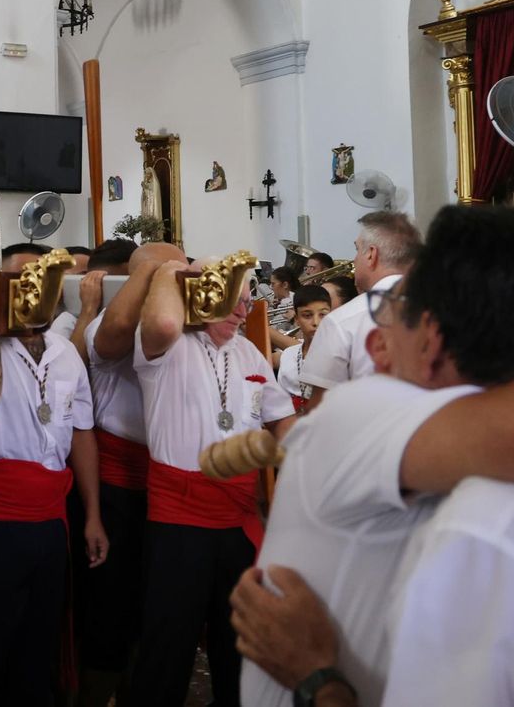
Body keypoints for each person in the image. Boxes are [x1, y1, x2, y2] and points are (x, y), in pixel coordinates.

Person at [236, 207, 514, 707]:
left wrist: (316, 679)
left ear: (429, 339)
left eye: (393, 316)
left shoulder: (487, 528)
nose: (375, 340)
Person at [129, 256, 296, 706]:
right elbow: (165, 318)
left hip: (238, 517)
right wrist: (171, 269)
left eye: (247, 300)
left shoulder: (247, 351)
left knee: (238, 645)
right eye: (233, 299)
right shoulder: (166, 345)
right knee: (169, 643)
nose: (244, 311)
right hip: (179, 518)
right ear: (200, 294)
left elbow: (281, 419)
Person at [0, 270, 107, 705]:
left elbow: (82, 432)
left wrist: (92, 515)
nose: (31, 296)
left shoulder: (64, 353)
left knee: (38, 644)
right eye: (17, 286)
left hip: (50, 516)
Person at [77, 241, 186, 704]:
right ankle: (99, 689)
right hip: (116, 481)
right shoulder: (110, 319)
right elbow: (117, 332)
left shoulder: (183, 319)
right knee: (109, 604)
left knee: (159, 603)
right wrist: (146, 271)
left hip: (169, 483)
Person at [300, 213, 421, 409]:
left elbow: (320, 410)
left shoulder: (342, 322)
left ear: (371, 254)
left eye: (357, 250)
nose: (354, 260)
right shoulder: (445, 310)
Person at [275, 285, 332, 413]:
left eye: (323, 314)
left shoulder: (342, 355)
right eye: (307, 315)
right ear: (297, 319)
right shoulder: (289, 355)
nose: (315, 322)